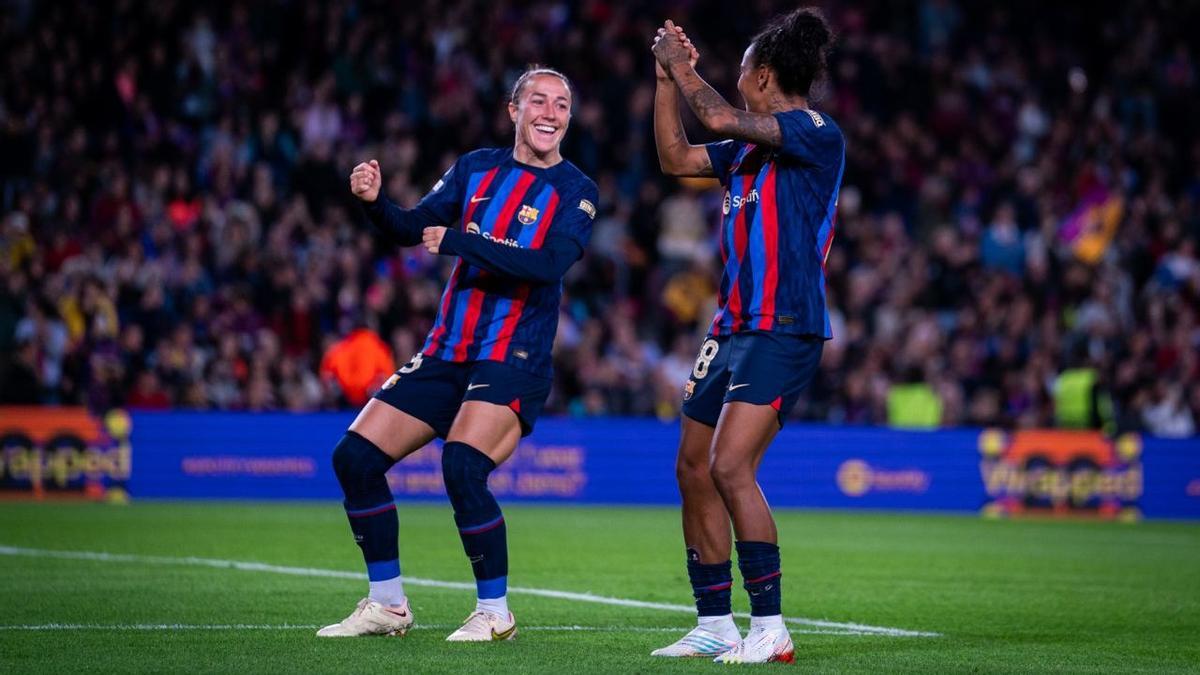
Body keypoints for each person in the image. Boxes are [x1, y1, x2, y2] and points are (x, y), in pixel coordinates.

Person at [316, 66, 598, 642]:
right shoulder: (476, 168)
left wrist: (461, 241)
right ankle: (387, 605)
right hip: (448, 351)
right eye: (538, 101)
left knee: (463, 466)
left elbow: (548, 265)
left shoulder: (577, 191)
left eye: (562, 105)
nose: (550, 113)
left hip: (513, 355)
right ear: (512, 109)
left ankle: (495, 612)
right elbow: (410, 226)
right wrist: (374, 202)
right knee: (354, 459)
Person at [650, 9, 844, 664]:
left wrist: (685, 68)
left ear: (762, 78)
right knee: (692, 467)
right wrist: (664, 80)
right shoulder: (744, 155)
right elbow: (676, 157)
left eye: (738, 76)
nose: (732, 88)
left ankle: (770, 625)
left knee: (732, 465)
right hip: (731, 324)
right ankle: (714, 623)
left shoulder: (816, 133)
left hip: (785, 324)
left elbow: (720, 118)